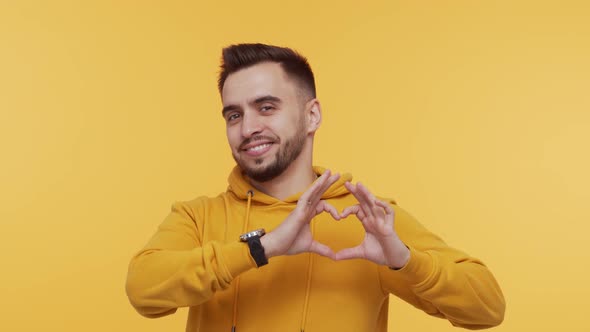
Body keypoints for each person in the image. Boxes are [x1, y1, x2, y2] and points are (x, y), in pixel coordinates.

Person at [125, 43, 505, 332]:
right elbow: (143, 290)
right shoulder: (196, 216)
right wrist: (264, 246)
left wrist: (404, 259)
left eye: (267, 107)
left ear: (312, 115)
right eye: (234, 114)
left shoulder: (365, 218)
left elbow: (487, 308)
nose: (247, 128)